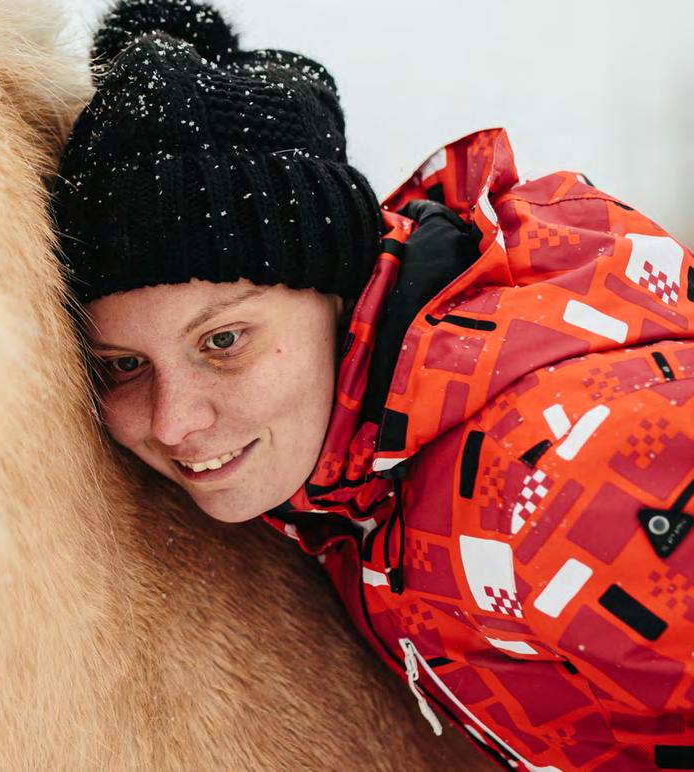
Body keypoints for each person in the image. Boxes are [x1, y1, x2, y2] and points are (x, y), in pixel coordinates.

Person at [51, 1, 694, 768]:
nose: (174, 421)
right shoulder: (353, 473)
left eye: (223, 341)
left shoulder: (565, 479)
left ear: (336, 291)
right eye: (124, 365)